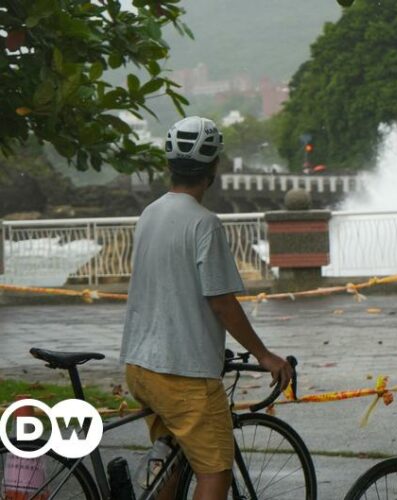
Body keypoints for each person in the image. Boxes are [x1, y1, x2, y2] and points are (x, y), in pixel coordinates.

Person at [120, 116, 293, 500]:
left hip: (141, 365)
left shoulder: (149, 214)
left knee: (173, 460)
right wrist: (263, 355)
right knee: (215, 473)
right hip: (184, 373)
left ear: (170, 165)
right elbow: (221, 302)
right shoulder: (204, 223)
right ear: (213, 168)